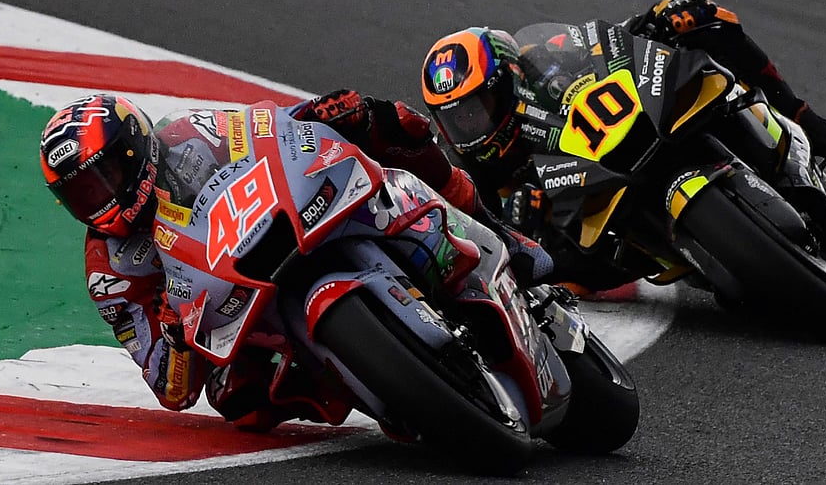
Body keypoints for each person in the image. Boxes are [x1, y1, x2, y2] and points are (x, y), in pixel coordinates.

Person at [39, 91, 552, 431]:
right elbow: (170, 390)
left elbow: (265, 126)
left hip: (286, 217)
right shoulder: (110, 270)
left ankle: (498, 232)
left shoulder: (189, 135)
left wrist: (321, 111)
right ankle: (362, 378)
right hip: (234, 308)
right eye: (80, 194)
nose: (98, 199)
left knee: (391, 122)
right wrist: (174, 337)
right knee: (236, 399)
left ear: (135, 147)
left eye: (103, 177)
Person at [418, 0, 826, 291]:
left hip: (641, 124)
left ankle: (811, 124)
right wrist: (525, 225)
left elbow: (599, 41)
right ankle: (706, 253)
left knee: (697, 15)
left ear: (508, 78)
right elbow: (494, 246)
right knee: (562, 272)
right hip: (602, 221)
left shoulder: (541, 55)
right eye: (457, 119)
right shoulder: (479, 168)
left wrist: (653, 21)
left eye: (477, 107)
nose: (471, 125)